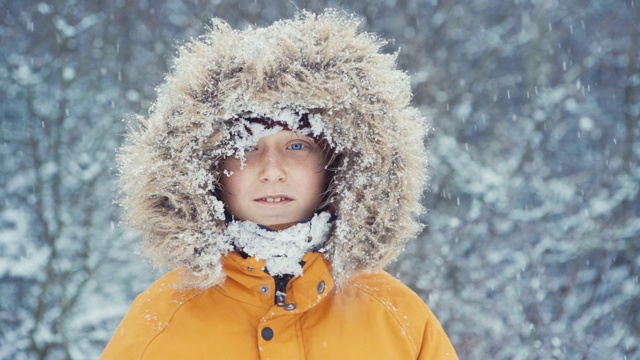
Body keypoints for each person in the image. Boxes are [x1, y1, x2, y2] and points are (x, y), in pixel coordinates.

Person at [102, 10, 457, 359]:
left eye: (297, 146)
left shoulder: (399, 318)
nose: (272, 171)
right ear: (208, 167)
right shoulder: (159, 322)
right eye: (245, 147)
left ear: (337, 164)